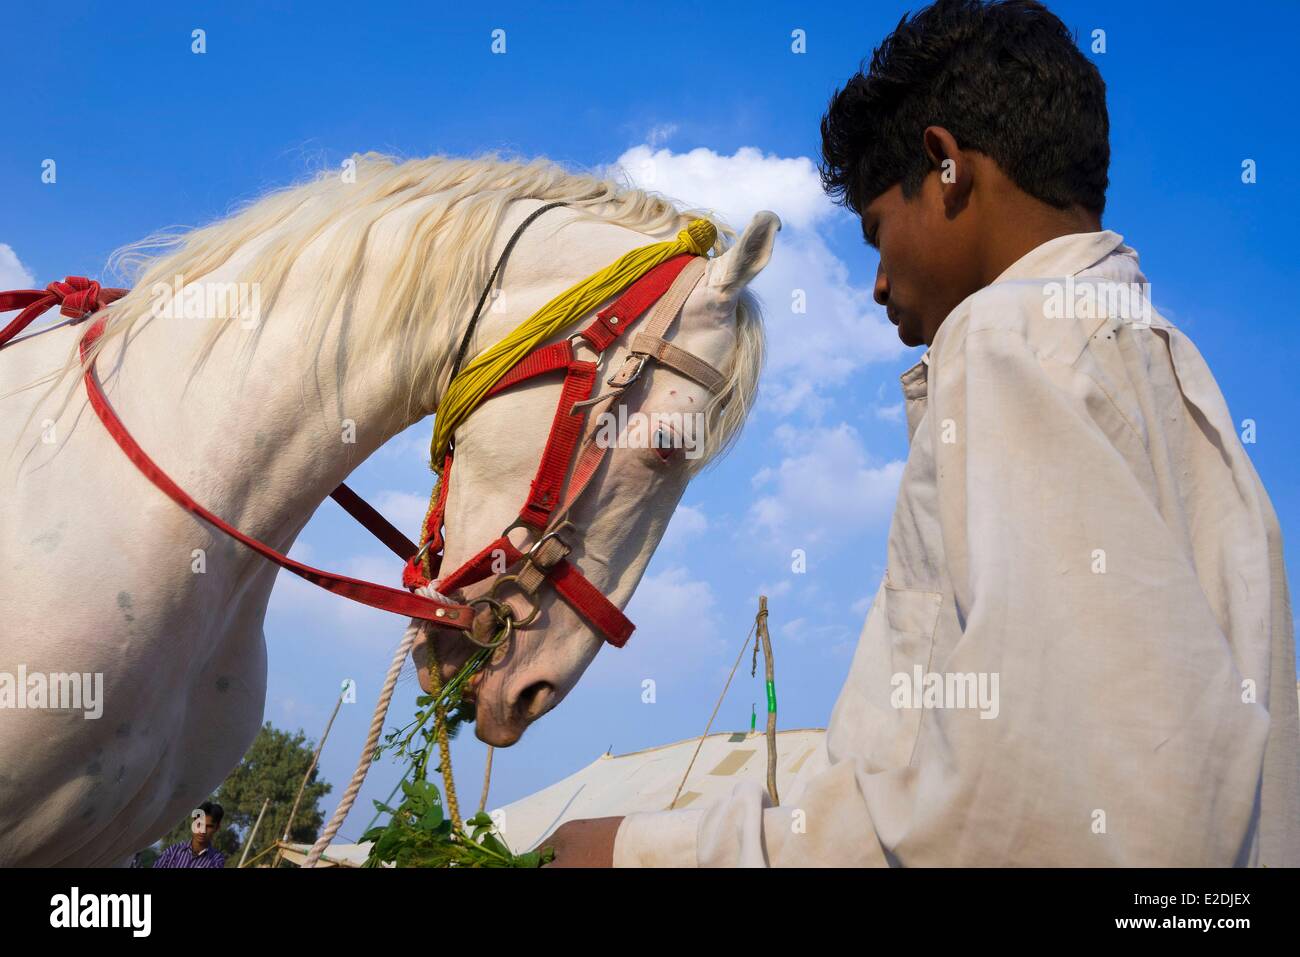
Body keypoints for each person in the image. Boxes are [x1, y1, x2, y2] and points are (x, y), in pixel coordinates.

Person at [541, 0, 1299, 867]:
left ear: (945, 167)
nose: (874, 284)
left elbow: (1029, 815)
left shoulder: (1004, 338)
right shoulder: (1175, 373)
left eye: (875, 233)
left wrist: (641, 855)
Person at [153, 801, 228, 868]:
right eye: (199, 824)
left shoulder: (216, 860)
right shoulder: (173, 851)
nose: (202, 830)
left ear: (217, 828)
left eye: (209, 826)